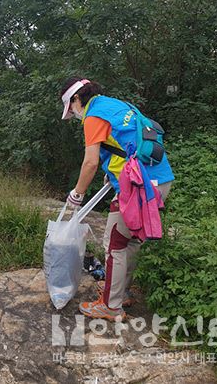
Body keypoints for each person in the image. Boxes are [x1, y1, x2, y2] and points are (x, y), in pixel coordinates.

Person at [60, 77, 174, 320]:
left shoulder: (93, 117)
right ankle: (121, 292)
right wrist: (112, 176)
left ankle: (111, 306)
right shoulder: (115, 105)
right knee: (131, 241)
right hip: (160, 180)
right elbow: (124, 144)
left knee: (115, 245)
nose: (73, 113)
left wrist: (77, 193)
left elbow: (90, 162)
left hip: (139, 187)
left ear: (77, 98)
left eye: (71, 107)